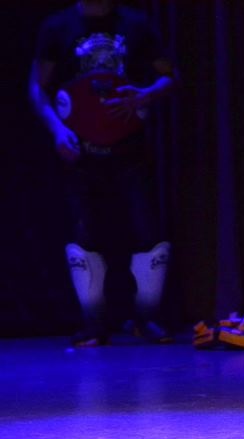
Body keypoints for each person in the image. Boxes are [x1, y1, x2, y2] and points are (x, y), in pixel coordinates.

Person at [30, 0, 177, 347]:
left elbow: (170, 76)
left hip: (130, 150)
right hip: (80, 153)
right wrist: (57, 130)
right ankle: (93, 324)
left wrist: (145, 95)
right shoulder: (57, 27)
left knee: (146, 233)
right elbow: (37, 87)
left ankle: (146, 318)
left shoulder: (137, 24)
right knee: (85, 236)